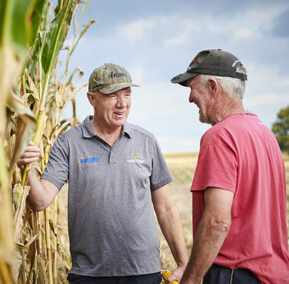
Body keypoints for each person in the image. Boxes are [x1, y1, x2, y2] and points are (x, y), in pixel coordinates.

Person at [18, 63, 188, 284]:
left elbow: (166, 208)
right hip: (90, 274)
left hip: (143, 272)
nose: (122, 104)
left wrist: (184, 264)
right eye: (111, 95)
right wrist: (28, 168)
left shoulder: (146, 141)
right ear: (92, 99)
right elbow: (40, 201)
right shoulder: (68, 143)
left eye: (127, 94)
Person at [170, 49, 289, 284]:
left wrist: (191, 279)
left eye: (193, 87)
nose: (190, 98)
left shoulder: (219, 137)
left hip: (234, 274)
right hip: (273, 274)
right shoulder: (265, 134)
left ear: (213, 87)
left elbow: (217, 221)